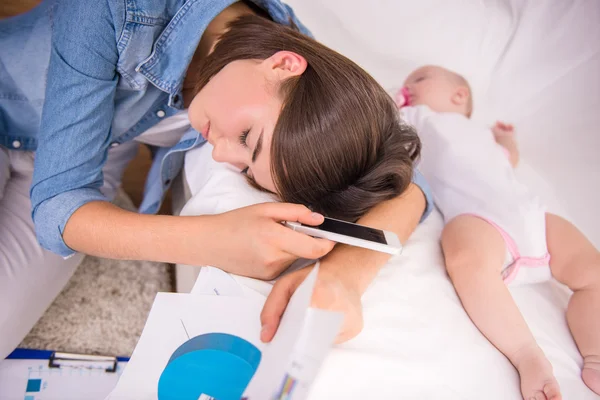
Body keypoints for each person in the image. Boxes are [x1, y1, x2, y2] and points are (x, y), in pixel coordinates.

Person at [0, 1, 433, 359]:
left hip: (94, 162)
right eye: (248, 138)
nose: (223, 154)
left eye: (245, 167)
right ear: (283, 65)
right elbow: (57, 210)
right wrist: (211, 239)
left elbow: (407, 191)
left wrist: (342, 278)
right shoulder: (119, 9)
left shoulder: (304, 92)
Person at [394, 65, 600, 399]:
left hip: (532, 213)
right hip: (478, 217)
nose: (407, 85)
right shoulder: (417, 117)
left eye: (417, 79)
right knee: (465, 259)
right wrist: (398, 101)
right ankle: (526, 353)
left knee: (593, 272)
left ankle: (596, 354)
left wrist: (506, 141)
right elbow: (383, 114)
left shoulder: (481, 135)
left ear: (459, 95)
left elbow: (509, 159)